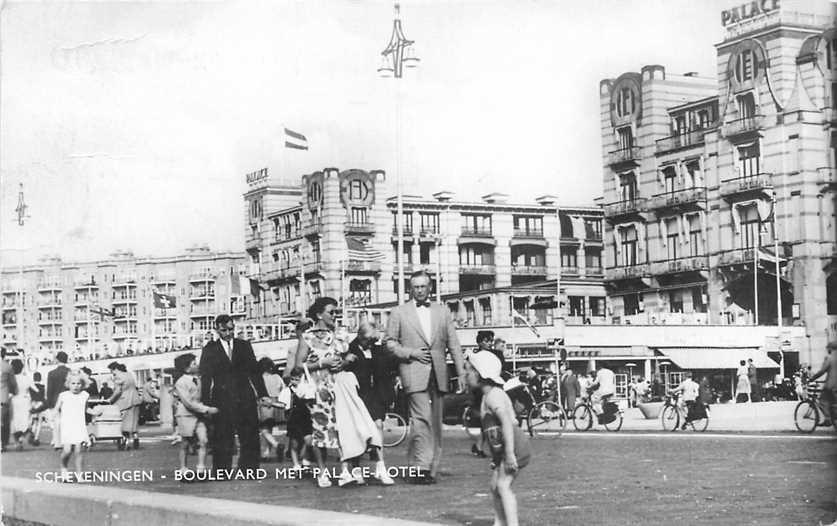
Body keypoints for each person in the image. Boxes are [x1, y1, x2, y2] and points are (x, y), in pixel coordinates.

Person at [295, 297, 387, 488]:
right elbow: (297, 366)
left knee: (344, 428)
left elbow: (347, 357)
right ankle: (322, 471)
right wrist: (322, 363)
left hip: (339, 386)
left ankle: (345, 471)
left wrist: (345, 361)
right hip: (320, 389)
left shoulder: (340, 336)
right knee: (321, 430)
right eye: (331, 312)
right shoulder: (308, 337)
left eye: (337, 312)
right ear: (319, 314)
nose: (335, 316)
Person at [385, 270, 465, 484]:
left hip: (438, 373)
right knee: (422, 420)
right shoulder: (399, 312)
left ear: (430, 287)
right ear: (410, 289)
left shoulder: (443, 311)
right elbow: (389, 342)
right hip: (413, 370)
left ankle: (429, 468)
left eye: (423, 286)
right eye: (415, 287)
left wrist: (461, 372)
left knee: (436, 423)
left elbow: (454, 344)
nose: (419, 290)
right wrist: (411, 353)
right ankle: (420, 467)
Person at [465, 351, 530, 526]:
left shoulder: (494, 396)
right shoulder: (487, 396)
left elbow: (506, 424)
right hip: (508, 446)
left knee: (502, 486)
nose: (466, 375)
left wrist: (509, 454)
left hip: (515, 445)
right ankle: (499, 522)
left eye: (469, 371)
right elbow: (492, 432)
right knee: (495, 486)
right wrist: (497, 457)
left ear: (479, 374)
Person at [199, 314, 271, 474]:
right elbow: (205, 377)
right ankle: (222, 471)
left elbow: (255, 372)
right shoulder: (209, 349)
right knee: (222, 435)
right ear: (217, 330)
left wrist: (262, 394)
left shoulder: (244, 345)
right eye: (224, 330)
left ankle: (249, 469)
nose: (228, 333)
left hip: (245, 396)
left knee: (250, 434)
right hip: (221, 398)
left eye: (231, 329)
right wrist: (205, 403)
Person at [344, 321, 396, 484]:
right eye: (368, 340)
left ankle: (381, 467)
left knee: (378, 426)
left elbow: (386, 373)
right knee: (359, 432)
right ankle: (356, 469)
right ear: (360, 337)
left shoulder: (377, 349)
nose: (370, 344)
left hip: (374, 394)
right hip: (358, 394)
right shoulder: (350, 349)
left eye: (373, 341)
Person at [173, 353, 218, 475]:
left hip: (199, 416)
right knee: (185, 443)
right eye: (194, 363)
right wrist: (207, 409)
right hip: (186, 415)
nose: (197, 365)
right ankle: (183, 468)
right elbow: (188, 403)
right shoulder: (181, 382)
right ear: (186, 368)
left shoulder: (198, 380)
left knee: (203, 440)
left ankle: (201, 468)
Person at [55, 370, 97, 482]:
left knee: (79, 451)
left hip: (79, 426)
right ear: (68, 384)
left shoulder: (85, 395)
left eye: (78, 383)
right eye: (73, 383)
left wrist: (94, 412)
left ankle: (79, 475)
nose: (76, 386)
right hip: (67, 426)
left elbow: (86, 408)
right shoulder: (63, 396)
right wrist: (54, 421)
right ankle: (63, 468)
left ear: (83, 385)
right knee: (67, 451)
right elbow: (56, 410)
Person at [466, 330, 498, 458]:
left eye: (491, 341)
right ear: (479, 342)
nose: (489, 343)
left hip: (490, 389)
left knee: (488, 420)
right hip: (480, 391)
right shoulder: (475, 357)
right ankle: (480, 447)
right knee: (485, 420)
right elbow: (471, 376)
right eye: (486, 340)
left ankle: (480, 446)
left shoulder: (492, 356)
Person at [106, 362, 142, 450]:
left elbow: (118, 391)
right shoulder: (129, 374)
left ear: (115, 369)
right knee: (134, 422)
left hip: (125, 401)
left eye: (111, 371)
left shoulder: (118, 377)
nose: (112, 373)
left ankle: (126, 442)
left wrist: (110, 400)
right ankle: (136, 438)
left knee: (125, 423)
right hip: (135, 399)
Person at [257, 357, 284, 462]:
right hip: (276, 403)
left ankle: (276, 445)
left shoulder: (260, 379)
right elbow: (282, 388)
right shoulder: (277, 377)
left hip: (265, 404)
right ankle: (266, 453)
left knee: (263, 430)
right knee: (270, 429)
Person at [46, 351, 70, 449]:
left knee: (56, 422)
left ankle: (57, 443)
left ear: (57, 359)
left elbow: (50, 389)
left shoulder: (52, 373)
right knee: (67, 421)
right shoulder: (70, 372)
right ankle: (67, 441)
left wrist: (49, 403)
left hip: (55, 399)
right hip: (68, 399)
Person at [809, 341, 837, 427]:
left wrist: (813, 378)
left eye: (828, 348)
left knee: (822, 401)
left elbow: (822, 371)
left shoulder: (829, 358)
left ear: (830, 349)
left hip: (831, 385)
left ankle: (828, 419)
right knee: (833, 403)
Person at [10, 359, 31, 450]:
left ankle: (16, 442)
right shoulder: (26, 378)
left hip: (14, 401)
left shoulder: (10, 379)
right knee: (24, 421)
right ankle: (21, 437)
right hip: (24, 401)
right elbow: (32, 389)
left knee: (14, 422)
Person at [0, 349, 18, 452]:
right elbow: (13, 383)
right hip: (3, 397)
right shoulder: (7, 366)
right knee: (4, 422)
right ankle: (3, 443)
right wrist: (14, 392)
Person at [29, 371, 46, 446]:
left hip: (33, 403)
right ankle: (36, 438)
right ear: (40, 378)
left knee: (33, 421)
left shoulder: (31, 387)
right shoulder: (43, 387)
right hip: (40, 404)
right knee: (39, 422)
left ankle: (32, 432)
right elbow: (44, 397)